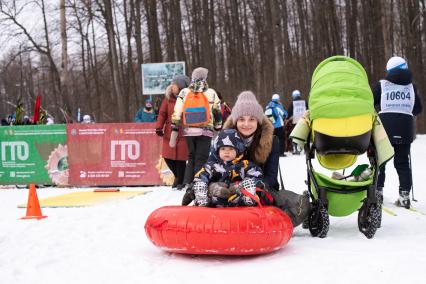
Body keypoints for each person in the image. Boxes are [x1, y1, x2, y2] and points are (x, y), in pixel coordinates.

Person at [183, 91, 310, 227]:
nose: (246, 124)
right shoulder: (224, 139)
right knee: (211, 192)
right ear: (235, 120)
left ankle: (272, 220)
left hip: (258, 188)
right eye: (242, 119)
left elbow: (271, 177)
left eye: (251, 119)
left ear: (258, 121)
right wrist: (206, 185)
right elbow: (210, 166)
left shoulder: (270, 141)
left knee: (291, 202)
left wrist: (248, 187)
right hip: (224, 187)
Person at [373, 56, 423, 209]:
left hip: (385, 128)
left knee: (380, 161)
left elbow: (371, 102)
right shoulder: (412, 87)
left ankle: (378, 192)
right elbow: (418, 109)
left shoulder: (382, 85)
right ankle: (404, 196)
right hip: (405, 128)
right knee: (402, 163)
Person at [170, 67, 222, 189]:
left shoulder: (184, 92)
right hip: (205, 130)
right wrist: (218, 127)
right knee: (202, 157)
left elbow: (177, 111)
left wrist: (175, 127)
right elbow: (217, 111)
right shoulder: (211, 93)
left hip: (188, 130)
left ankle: (188, 182)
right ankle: (198, 182)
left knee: (191, 156)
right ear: (205, 77)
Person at [192, 128, 263, 207]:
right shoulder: (212, 166)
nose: (226, 152)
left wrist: (248, 183)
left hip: (236, 198)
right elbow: (201, 175)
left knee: (248, 183)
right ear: (217, 150)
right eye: (223, 149)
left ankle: (249, 198)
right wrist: (201, 184)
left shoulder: (244, 165)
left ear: (238, 150)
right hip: (216, 198)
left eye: (231, 149)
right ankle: (201, 198)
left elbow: (256, 174)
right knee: (202, 184)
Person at [155, 75, 190, 190]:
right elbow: (162, 114)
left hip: (184, 131)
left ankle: (180, 180)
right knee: (167, 157)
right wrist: (159, 127)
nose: (172, 86)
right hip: (170, 132)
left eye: (174, 85)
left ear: (180, 87)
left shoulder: (189, 99)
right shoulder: (168, 98)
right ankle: (178, 177)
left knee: (181, 159)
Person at [286, 90, 307, 154]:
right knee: (304, 135)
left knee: (295, 135)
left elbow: (289, 112)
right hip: (304, 121)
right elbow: (308, 110)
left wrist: (287, 119)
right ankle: (306, 150)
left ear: (293, 96)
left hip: (295, 121)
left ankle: (296, 150)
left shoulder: (292, 103)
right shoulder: (304, 102)